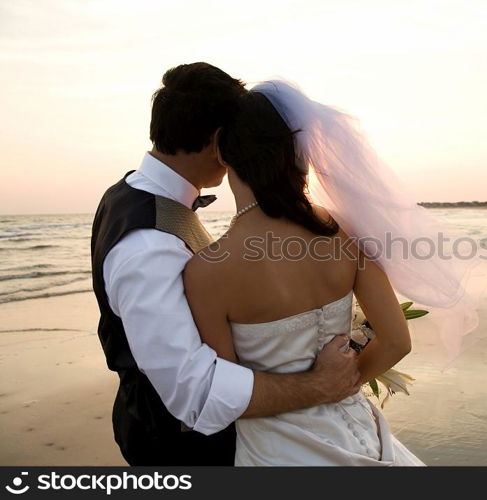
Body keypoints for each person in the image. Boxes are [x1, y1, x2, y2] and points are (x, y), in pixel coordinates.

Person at [90, 63, 361, 466]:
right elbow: (193, 392)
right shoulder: (148, 244)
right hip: (180, 452)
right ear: (221, 142)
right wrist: (319, 386)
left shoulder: (136, 194)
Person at [183, 80, 426, 465]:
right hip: (361, 435)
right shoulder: (344, 232)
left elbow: (231, 393)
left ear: (223, 150)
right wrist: (342, 385)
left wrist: (320, 388)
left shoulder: (206, 272)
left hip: (277, 451)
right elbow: (397, 342)